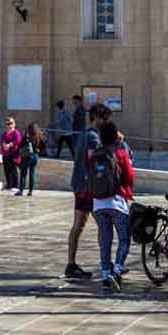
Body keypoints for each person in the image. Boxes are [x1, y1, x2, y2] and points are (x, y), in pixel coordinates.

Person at [88, 118, 134, 290]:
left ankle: (106, 274)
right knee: (124, 238)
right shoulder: (120, 154)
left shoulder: (95, 155)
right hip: (117, 203)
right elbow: (129, 177)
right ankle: (117, 269)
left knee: (105, 240)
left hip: (98, 204)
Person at [65, 106, 104, 281]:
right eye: (104, 118)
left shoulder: (83, 135)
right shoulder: (93, 137)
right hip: (89, 189)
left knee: (78, 225)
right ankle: (106, 264)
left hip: (80, 186)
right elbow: (94, 161)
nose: (106, 122)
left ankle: (71, 264)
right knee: (103, 224)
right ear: (97, 118)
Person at [16, 123, 44, 196]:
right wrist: (38, 150)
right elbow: (43, 145)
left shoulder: (27, 135)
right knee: (32, 173)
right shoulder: (39, 135)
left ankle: (21, 191)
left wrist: (18, 152)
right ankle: (30, 191)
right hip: (35, 156)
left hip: (27, 156)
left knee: (23, 173)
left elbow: (21, 144)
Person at [0, 116, 22, 191]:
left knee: (13, 170)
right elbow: (2, 140)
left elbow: (18, 141)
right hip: (5, 154)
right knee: (7, 169)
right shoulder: (5, 133)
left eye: (11, 123)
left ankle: (15, 185)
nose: (9, 125)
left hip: (13, 153)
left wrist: (9, 145)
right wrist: (4, 145)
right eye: (7, 123)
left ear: (14, 124)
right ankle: (9, 184)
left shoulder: (16, 132)